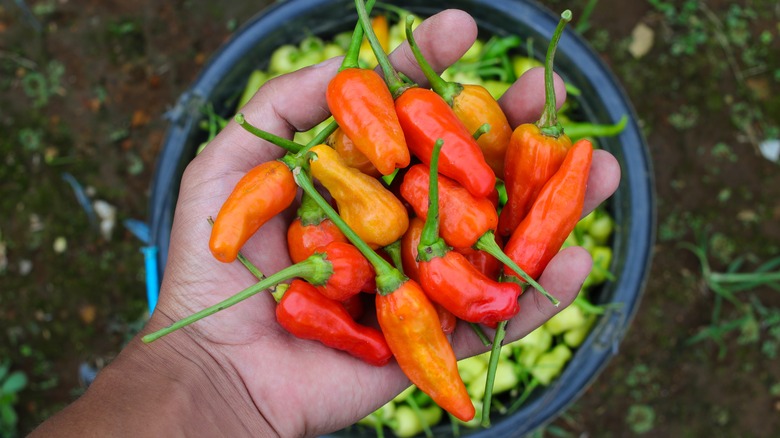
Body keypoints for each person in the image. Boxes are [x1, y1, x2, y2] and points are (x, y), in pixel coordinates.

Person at [30, 9, 620, 437]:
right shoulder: (355, 194)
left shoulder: (405, 160)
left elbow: (449, 195)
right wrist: (202, 357)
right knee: (406, 206)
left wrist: (201, 358)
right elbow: (396, 199)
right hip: (399, 247)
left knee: (427, 204)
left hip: (418, 241)